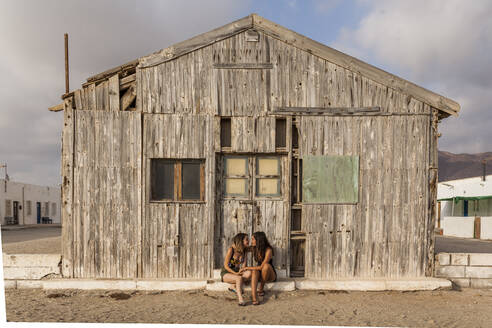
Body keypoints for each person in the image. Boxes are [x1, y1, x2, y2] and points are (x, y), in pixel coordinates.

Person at [240, 231, 276, 305]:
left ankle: (261, 288)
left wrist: (247, 267)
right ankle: (254, 297)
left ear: (259, 240)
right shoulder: (254, 248)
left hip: (269, 274)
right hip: (259, 272)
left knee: (265, 266)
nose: (251, 241)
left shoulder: (268, 250)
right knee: (254, 271)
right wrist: (244, 262)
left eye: (253, 239)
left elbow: (261, 267)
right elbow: (243, 249)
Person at [220, 232, 251, 306]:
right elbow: (226, 266)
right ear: (241, 241)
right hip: (226, 272)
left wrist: (242, 270)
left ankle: (233, 286)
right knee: (239, 278)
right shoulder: (231, 250)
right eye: (246, 239)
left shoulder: (244, 251)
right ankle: (240, 299)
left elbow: (244, 266)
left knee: (249, 273)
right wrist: (236, 274)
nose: (248, 241)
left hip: (236, 272)